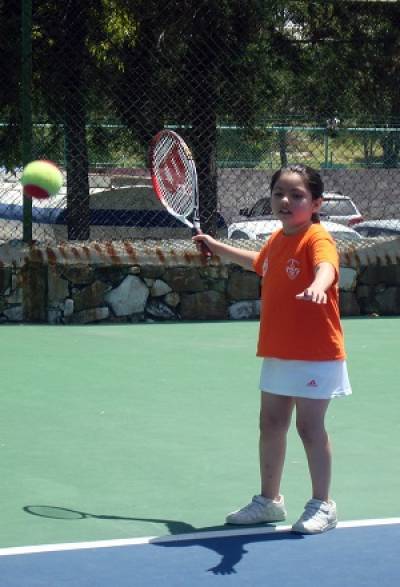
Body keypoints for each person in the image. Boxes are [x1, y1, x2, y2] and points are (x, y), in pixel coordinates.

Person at [193, 164, 352, 534]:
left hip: (317, 352)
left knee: (310, 428)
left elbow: (327, 267)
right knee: (271, 424)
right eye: (279, 192)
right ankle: (269, 502)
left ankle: (323, 505)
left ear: (315, 203)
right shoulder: (278, 239)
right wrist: (216, 246)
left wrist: (318, 285)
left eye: (297, 195)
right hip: (279, 349)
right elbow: (260, 265)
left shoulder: (317, 238)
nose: (286, 200)